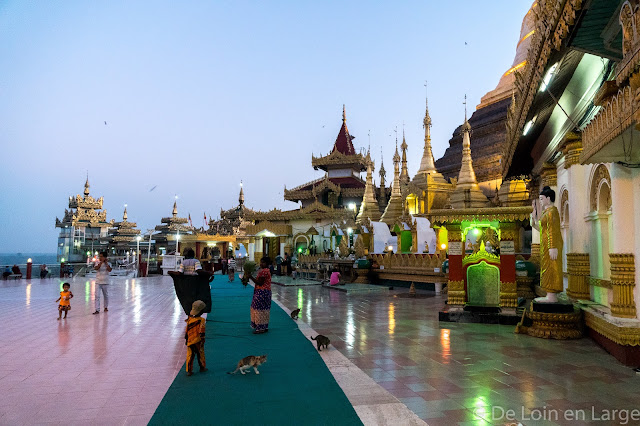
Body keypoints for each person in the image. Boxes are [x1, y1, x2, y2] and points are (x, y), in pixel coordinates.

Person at [532, 186, 564, 303]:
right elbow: (542, 229)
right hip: (546, 245)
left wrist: (553, 246)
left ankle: (552, 295)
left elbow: (553, 230)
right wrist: (534, 219)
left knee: (551, 267)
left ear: (548, 198)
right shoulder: (546, 213)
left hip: (551, 245)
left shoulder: (552, 212)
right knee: (546, 267)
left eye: (541, 198)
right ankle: (549, 294)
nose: (540, 201)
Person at [248, 256, 272, 334]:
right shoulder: (267, 270)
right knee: (264, 309)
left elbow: (260, 283)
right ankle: (264, 326)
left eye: (263, 262)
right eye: (261, 262)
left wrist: (250, 277)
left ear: (267, 264)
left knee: (258, 309)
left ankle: (260, 328)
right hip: (266, 292)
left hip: (261, 293)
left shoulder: (264, 271)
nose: (261, 264)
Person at [185, 300, 207, 376]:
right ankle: (202, 367)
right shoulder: (201, 320)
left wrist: (186, 339)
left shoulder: (189, 319)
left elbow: (187, 330)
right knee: (200, 354)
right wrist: (203, 339)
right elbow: (202, 332)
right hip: (198, 341)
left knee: (190, 355)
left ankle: (189, 370)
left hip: (190, 340)